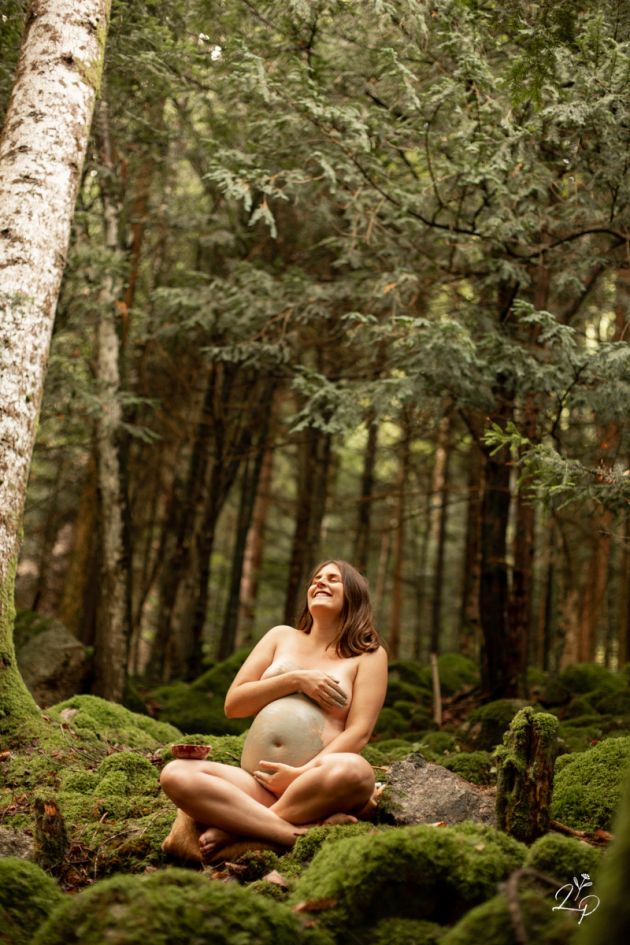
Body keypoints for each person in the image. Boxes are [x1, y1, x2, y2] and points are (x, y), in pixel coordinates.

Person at [160, 559, 388, 862]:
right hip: (256, 782)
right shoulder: (280, 636)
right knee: (175, 773)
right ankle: (289, 834)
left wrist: (299, 775)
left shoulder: (368, 656)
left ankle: (238, 830)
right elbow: (234, 705)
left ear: (354, 596)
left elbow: (360, 732)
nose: (319, 582)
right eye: (316, 578)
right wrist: (296, 679)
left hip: (316, 785)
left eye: (333, 579)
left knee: (357, 771)